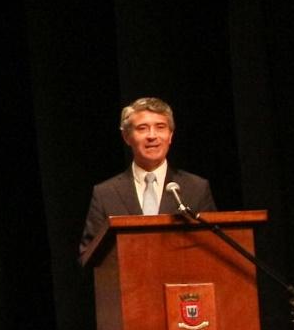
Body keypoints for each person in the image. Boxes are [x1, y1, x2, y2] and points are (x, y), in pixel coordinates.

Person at [78, 97, 219, 266]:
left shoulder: (196, 188)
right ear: (126, 137)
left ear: (170, 136)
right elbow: (88, 255)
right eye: (142, 128)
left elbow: (213, 247)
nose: (152, 136)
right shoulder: (106, 193)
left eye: (160, 127)